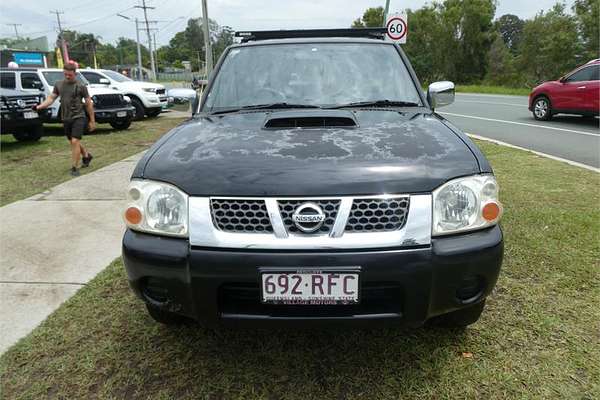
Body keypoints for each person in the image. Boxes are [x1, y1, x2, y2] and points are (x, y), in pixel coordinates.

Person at [34, 62, 95, 176]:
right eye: (65, 74)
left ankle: (74, 168)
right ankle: (86, 156)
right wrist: (39, 107)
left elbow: (88, 104)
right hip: (66, 117)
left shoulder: (81, 86)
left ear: (75, 74)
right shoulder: (59, 84)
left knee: (75, 141)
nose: (67, 76)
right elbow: (51, 98)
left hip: (78, 117)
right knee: (73, 141)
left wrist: (92, 120)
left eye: (70, 75)